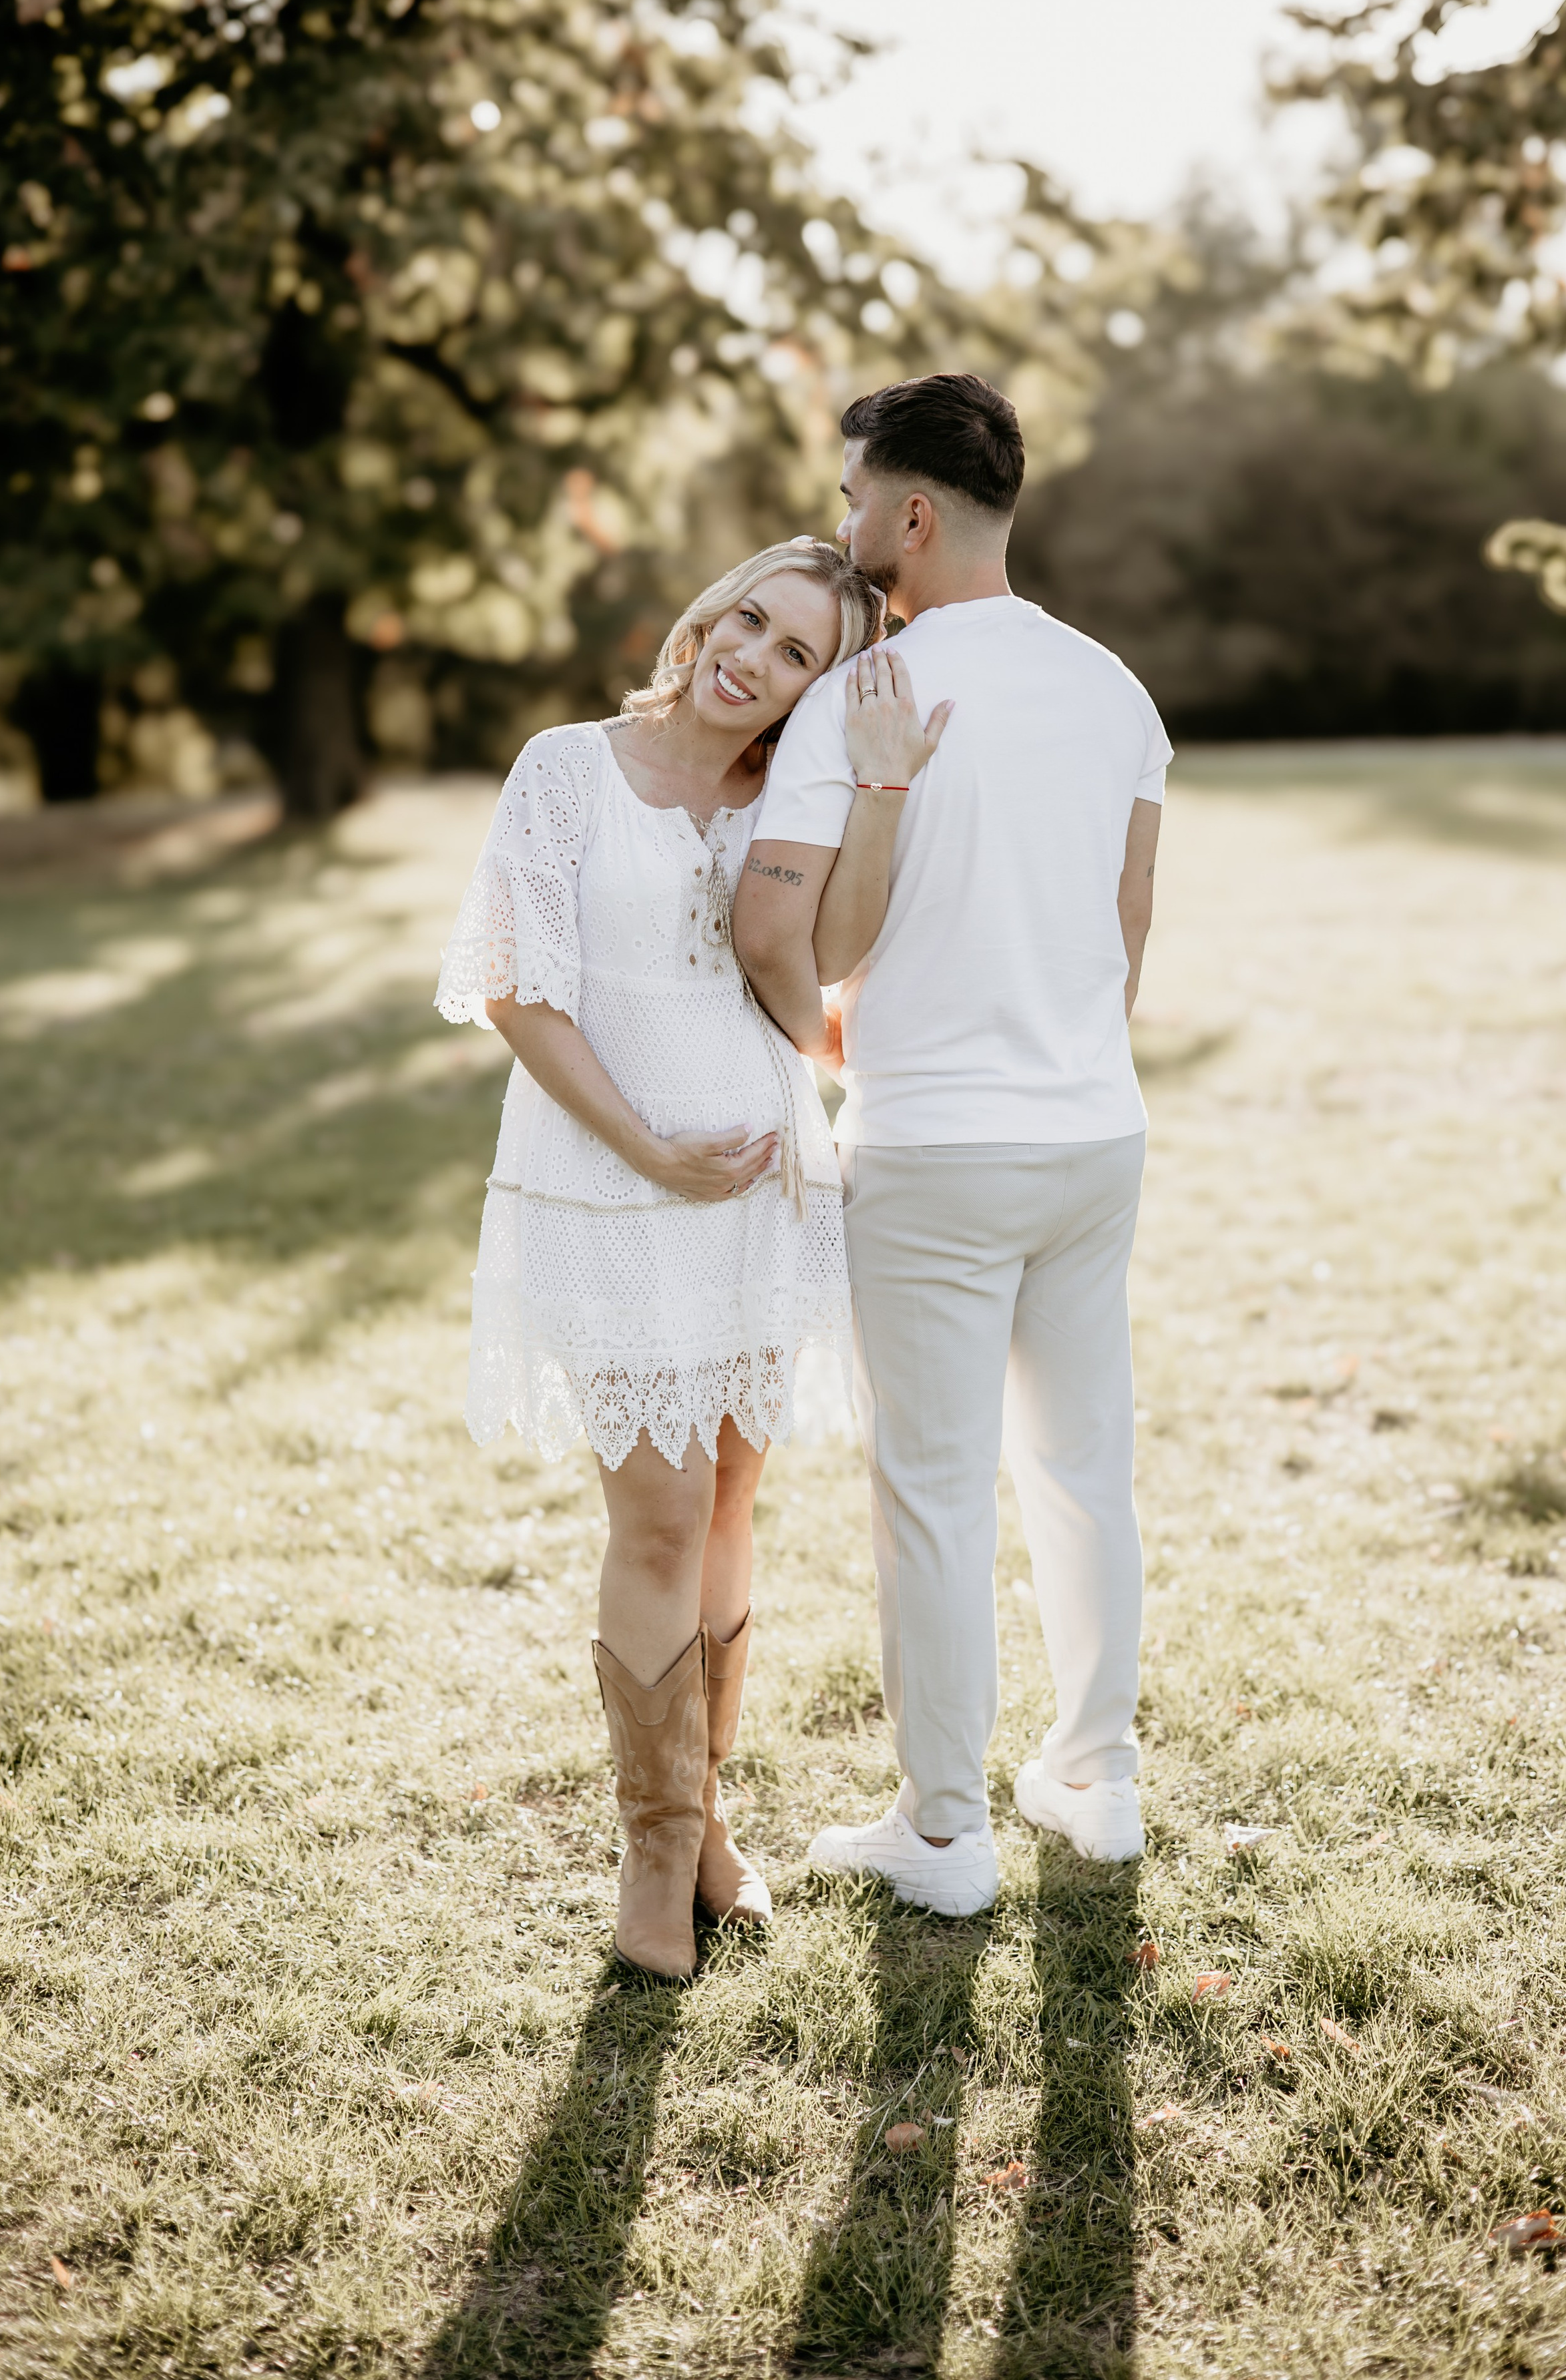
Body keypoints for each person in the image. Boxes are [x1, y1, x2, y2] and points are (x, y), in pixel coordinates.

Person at [434, 539, 944, 1980]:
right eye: (750, 621)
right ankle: (655, 1851)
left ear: (816, 691)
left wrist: (881, 788)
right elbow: (515, 990)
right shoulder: (565, 770)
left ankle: (707, 1818)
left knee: (725, 1505)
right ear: (710, 613)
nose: (752, 659)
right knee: (656, 1520)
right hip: (607, 1190)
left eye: (796, 656)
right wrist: (649, 1148)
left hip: (763, 1198)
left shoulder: (790, 797)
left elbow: (819, 977)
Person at [733, 373, 1171, 1919]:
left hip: (931, 1145)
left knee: (929, 1488)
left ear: (911, 512)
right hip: (1091, 1132)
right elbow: (1124, 934)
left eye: (854, 495)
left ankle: (941, 1831)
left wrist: (819, 1040)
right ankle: (1096, 1781)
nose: (844, 520)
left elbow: (779, 930)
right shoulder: (1113, 691)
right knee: (1082, 1465)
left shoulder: (864, 697)